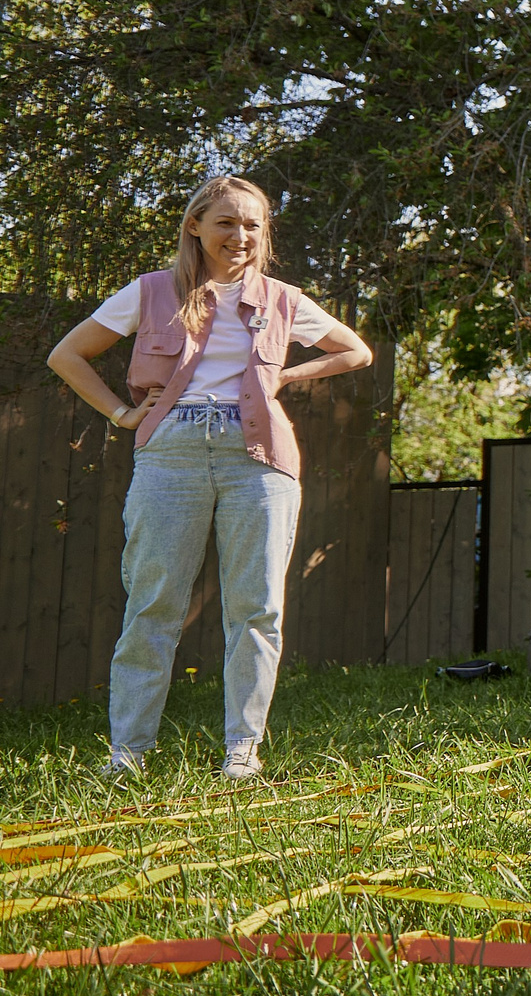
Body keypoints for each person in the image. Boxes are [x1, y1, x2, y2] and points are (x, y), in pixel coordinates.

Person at [45, 175, 375, 780]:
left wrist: (286, 378)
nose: (240, 236)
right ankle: (127, 756)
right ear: (195, 226)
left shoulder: (282, 300)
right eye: (226, 222)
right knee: (153, 606)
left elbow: (355, 350)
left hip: (261, 459)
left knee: (256, 610)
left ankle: (242, 755)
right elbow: (65, 355)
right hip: (170, 456)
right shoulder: (149, 293)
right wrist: (121, 413)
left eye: (252, 225)